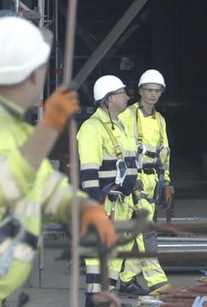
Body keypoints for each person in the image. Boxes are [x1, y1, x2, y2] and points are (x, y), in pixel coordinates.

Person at [0, 17, 116, 307]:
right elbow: (5, 185)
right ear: (32, 75)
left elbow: (42, 185)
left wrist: (78, 207)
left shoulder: (6, 123)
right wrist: (49, 128)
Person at [77, 75, 139, 305]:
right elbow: (89, 173)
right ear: (109, 98)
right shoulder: (92, 128)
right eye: (122, 92)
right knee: (98, 273)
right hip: (104, 208)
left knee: (111, 272)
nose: (127, 96)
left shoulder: (120, 126)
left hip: (120, 207)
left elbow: (131, 166)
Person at [117, 69, 170, 295]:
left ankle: (127, 278)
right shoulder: (128, 116)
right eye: (149, 90)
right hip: (135, 179)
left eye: (157, 91)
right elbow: (121, 150)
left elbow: (165, 152)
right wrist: (130, 182)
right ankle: (158, 281)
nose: (153, 95)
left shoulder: (159, 119)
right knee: (146, 231)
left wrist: (167, 182)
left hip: (153, 180)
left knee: (133, 235)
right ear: (140, 91)